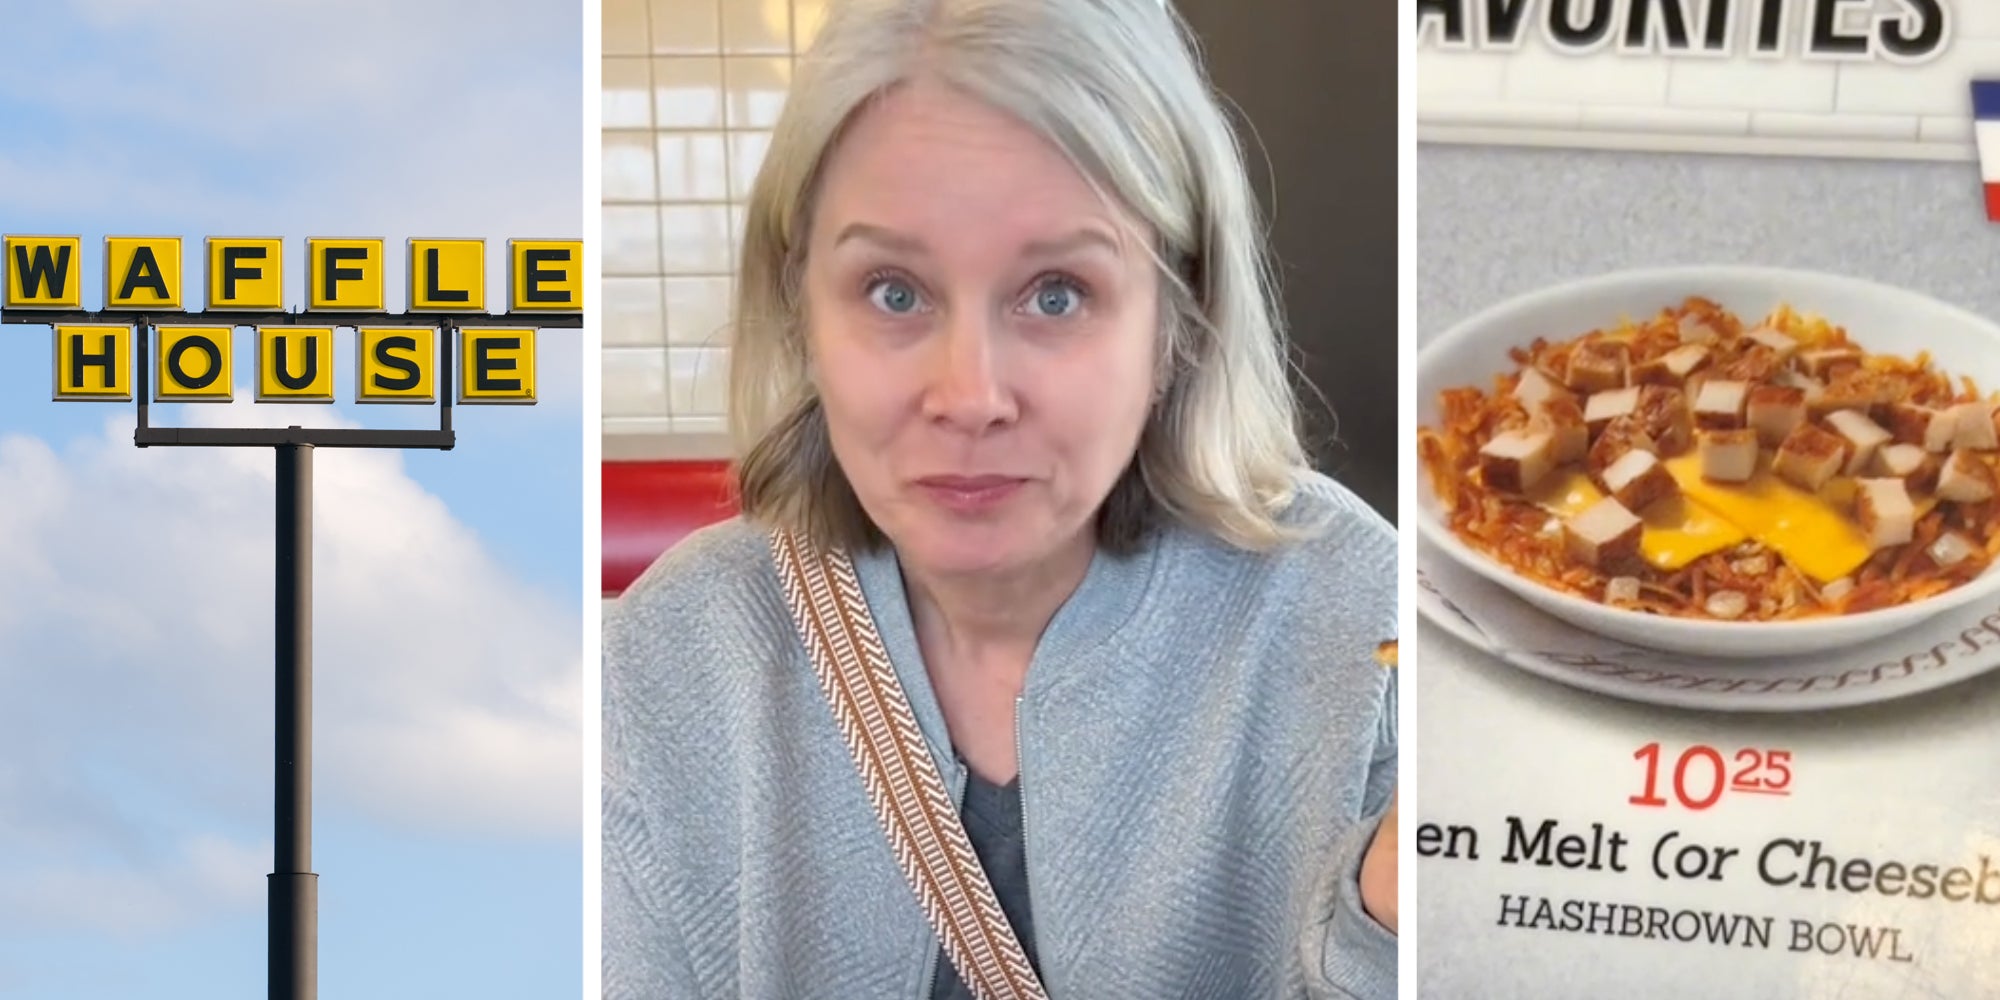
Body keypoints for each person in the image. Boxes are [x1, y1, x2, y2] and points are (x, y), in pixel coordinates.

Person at [602, 0, 1398, 996]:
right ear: (800, 305)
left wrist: (1391, 933)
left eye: (1055, 293)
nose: (969, 396)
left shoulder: (1357, 624)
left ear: (1176, 320)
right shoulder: (672, 657)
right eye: (893, 291)